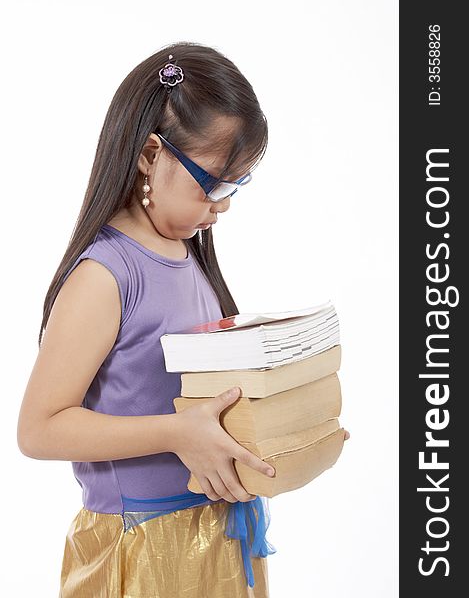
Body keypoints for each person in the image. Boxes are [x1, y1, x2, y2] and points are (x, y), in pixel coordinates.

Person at [17, 41, 350, 598]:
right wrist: (176, 433)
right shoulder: (106, 274)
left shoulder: (189, 256)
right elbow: (38, 429)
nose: (223, 205)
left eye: (236, 186)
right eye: (214, 183)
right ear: (151, 155)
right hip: (145, 546)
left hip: (220, 535)